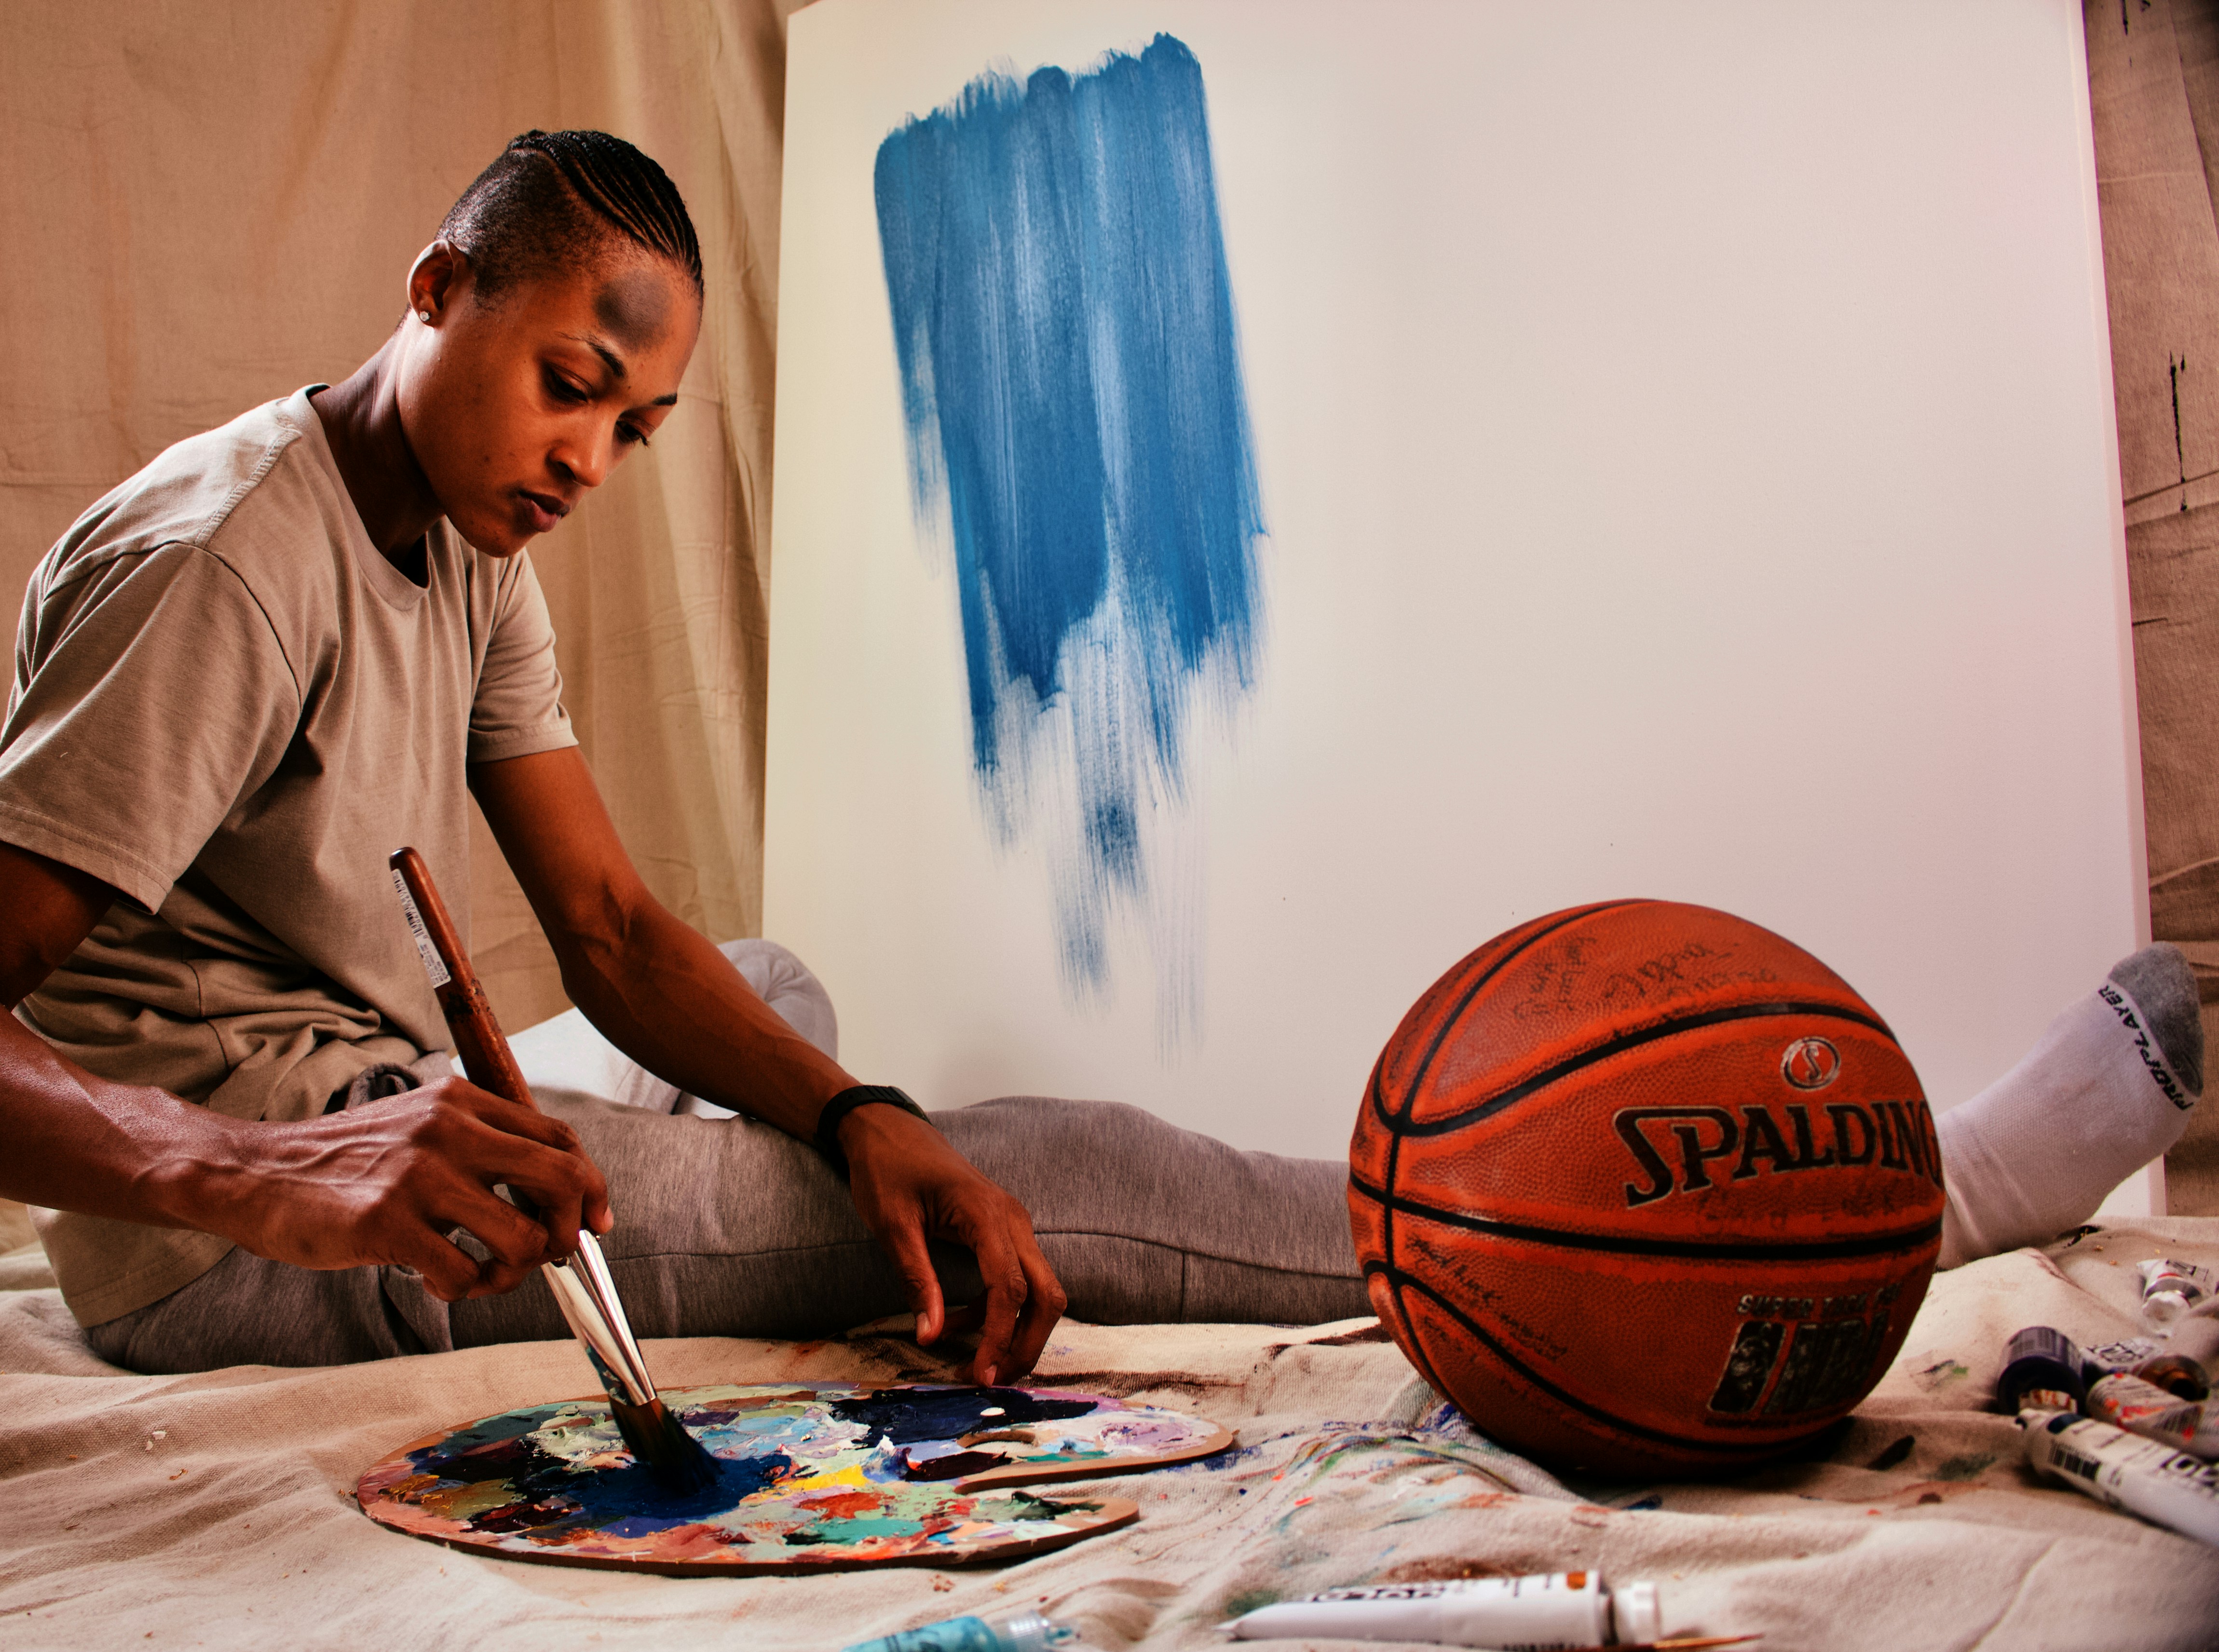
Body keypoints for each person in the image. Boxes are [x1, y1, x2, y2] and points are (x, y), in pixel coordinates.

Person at [0, 131, 2201, 1388]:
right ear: (435, 287)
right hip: (222, 1230)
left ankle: (788, 1139)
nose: (592, 457)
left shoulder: (471, 517)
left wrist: (848, 1116)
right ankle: (1932, 1204)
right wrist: (253, 1175)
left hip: (360, 1082)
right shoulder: (230, 567)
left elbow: (606, 924)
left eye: (637, 429)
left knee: (763, 1001)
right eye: (574, 384)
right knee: (1019, 1166)